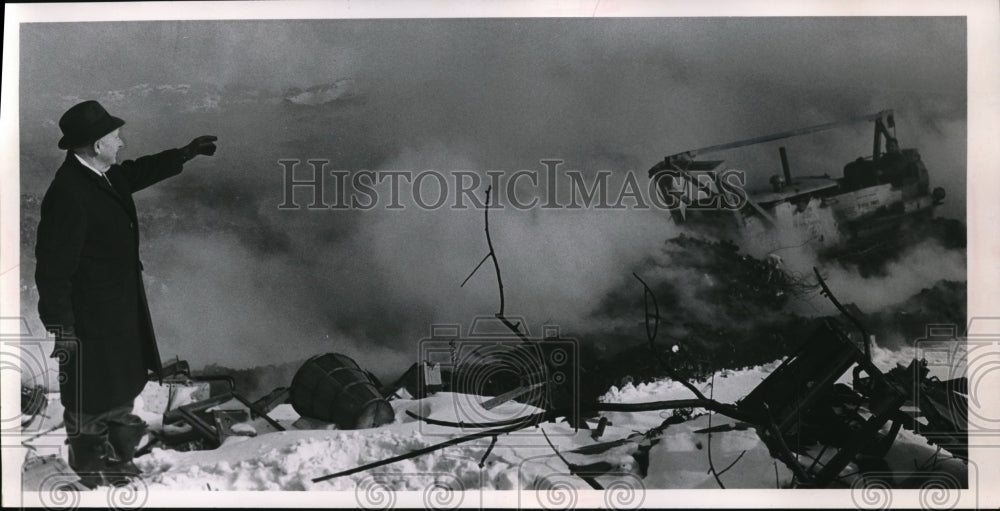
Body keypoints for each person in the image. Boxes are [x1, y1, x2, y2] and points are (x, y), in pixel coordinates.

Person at [34, 100, 217, 487]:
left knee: (120, 387)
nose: (123, 143)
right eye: (116, 137)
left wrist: (183, 153)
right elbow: (52, 271)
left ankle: (119, 463)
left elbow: (138, 172)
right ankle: (93, 476)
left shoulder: (102, 176)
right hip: (90, 320)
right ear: (97, 145)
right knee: (89, 397)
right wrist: (63, 329)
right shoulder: (68, 193)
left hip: (117, 312)